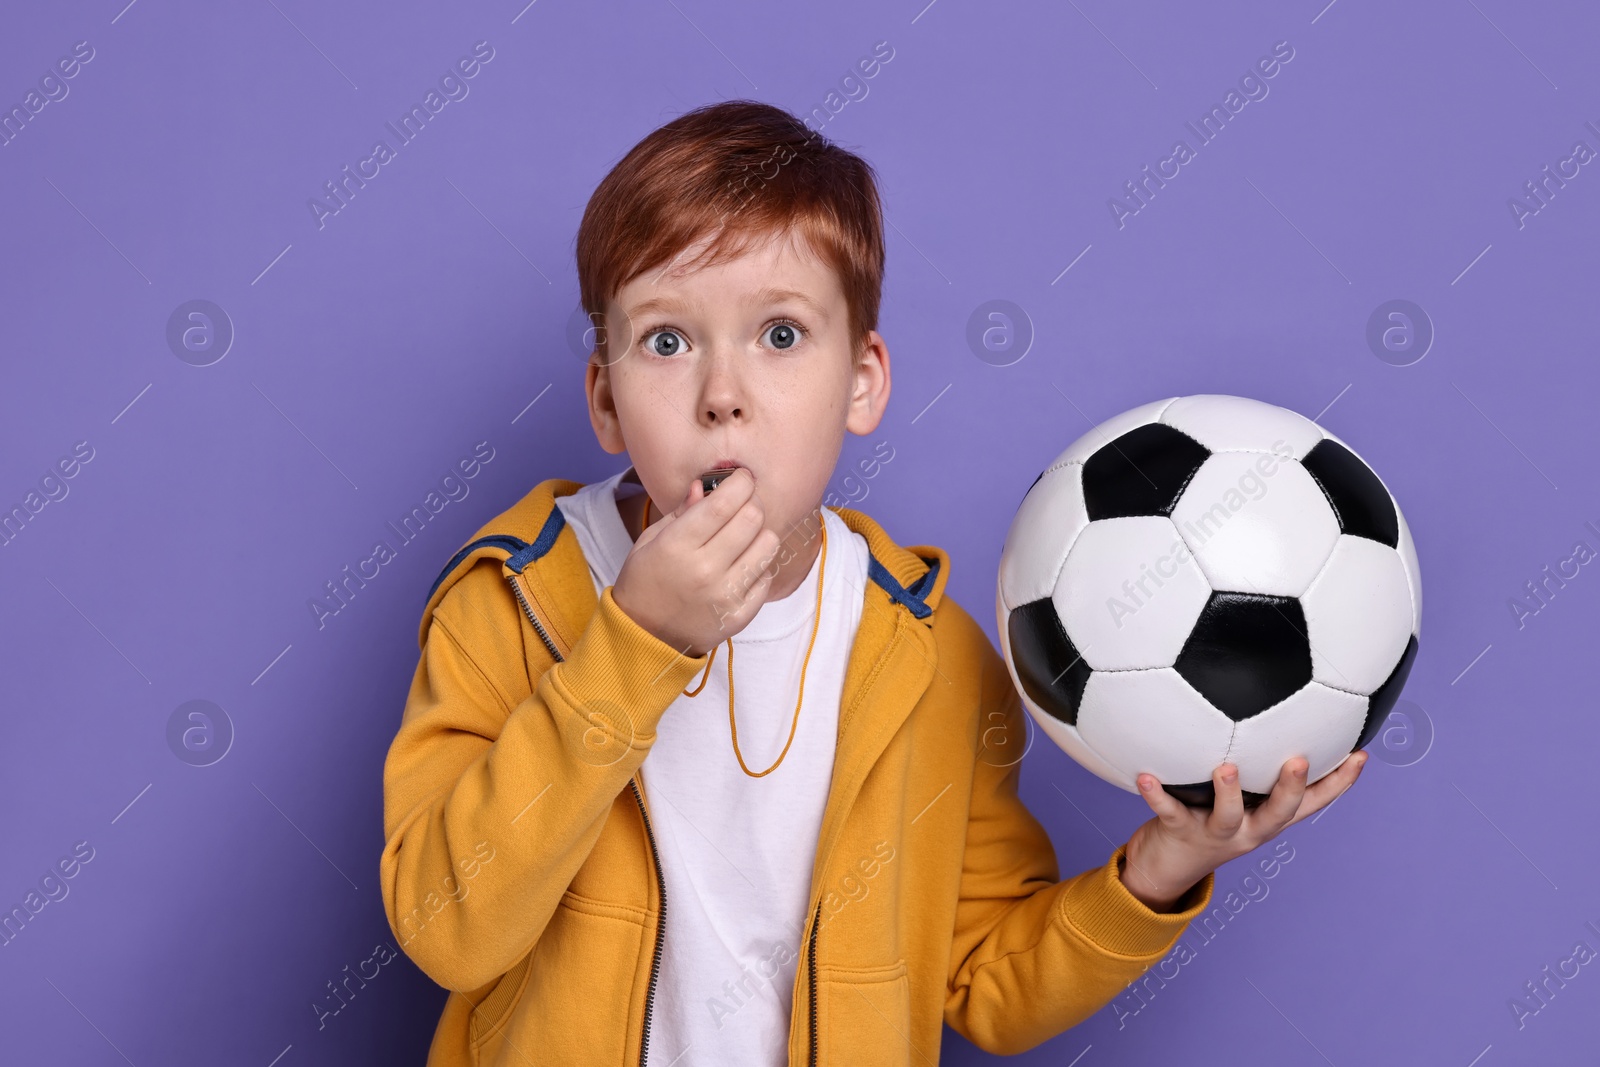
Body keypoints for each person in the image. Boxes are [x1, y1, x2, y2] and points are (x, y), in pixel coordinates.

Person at [378, 99, 1367, 1067]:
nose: (721, 395)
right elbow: (447, 929)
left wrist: (1162, 868)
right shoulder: (508, 599)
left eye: (778, 335)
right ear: (605, 397)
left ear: (862, 379)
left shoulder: (932, 655)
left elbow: (983, 980)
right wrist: (632, 640)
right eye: (667, 340)